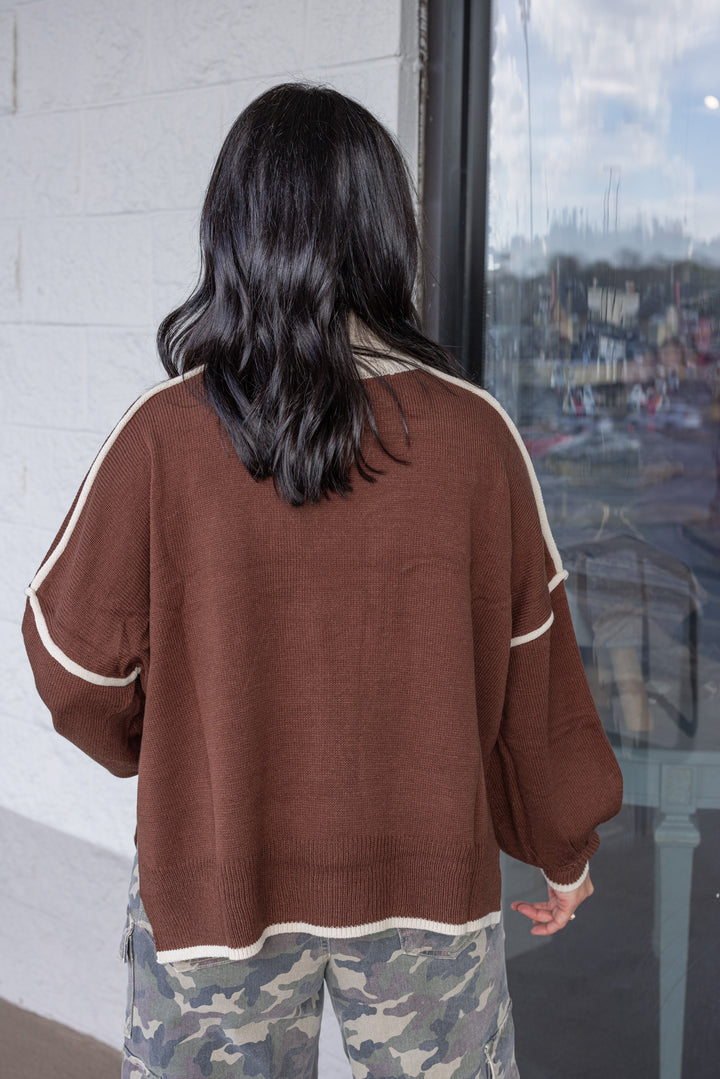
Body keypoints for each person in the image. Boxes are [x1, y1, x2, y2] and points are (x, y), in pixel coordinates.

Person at [21, 82, 623, 1079]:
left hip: (213, 896)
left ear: (232, 233)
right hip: (432, 895)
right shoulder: (477, 439)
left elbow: (68, 660)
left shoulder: (162, 438)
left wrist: (172, 750)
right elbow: (537, 682)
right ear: (389, 232)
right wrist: (564, 849)